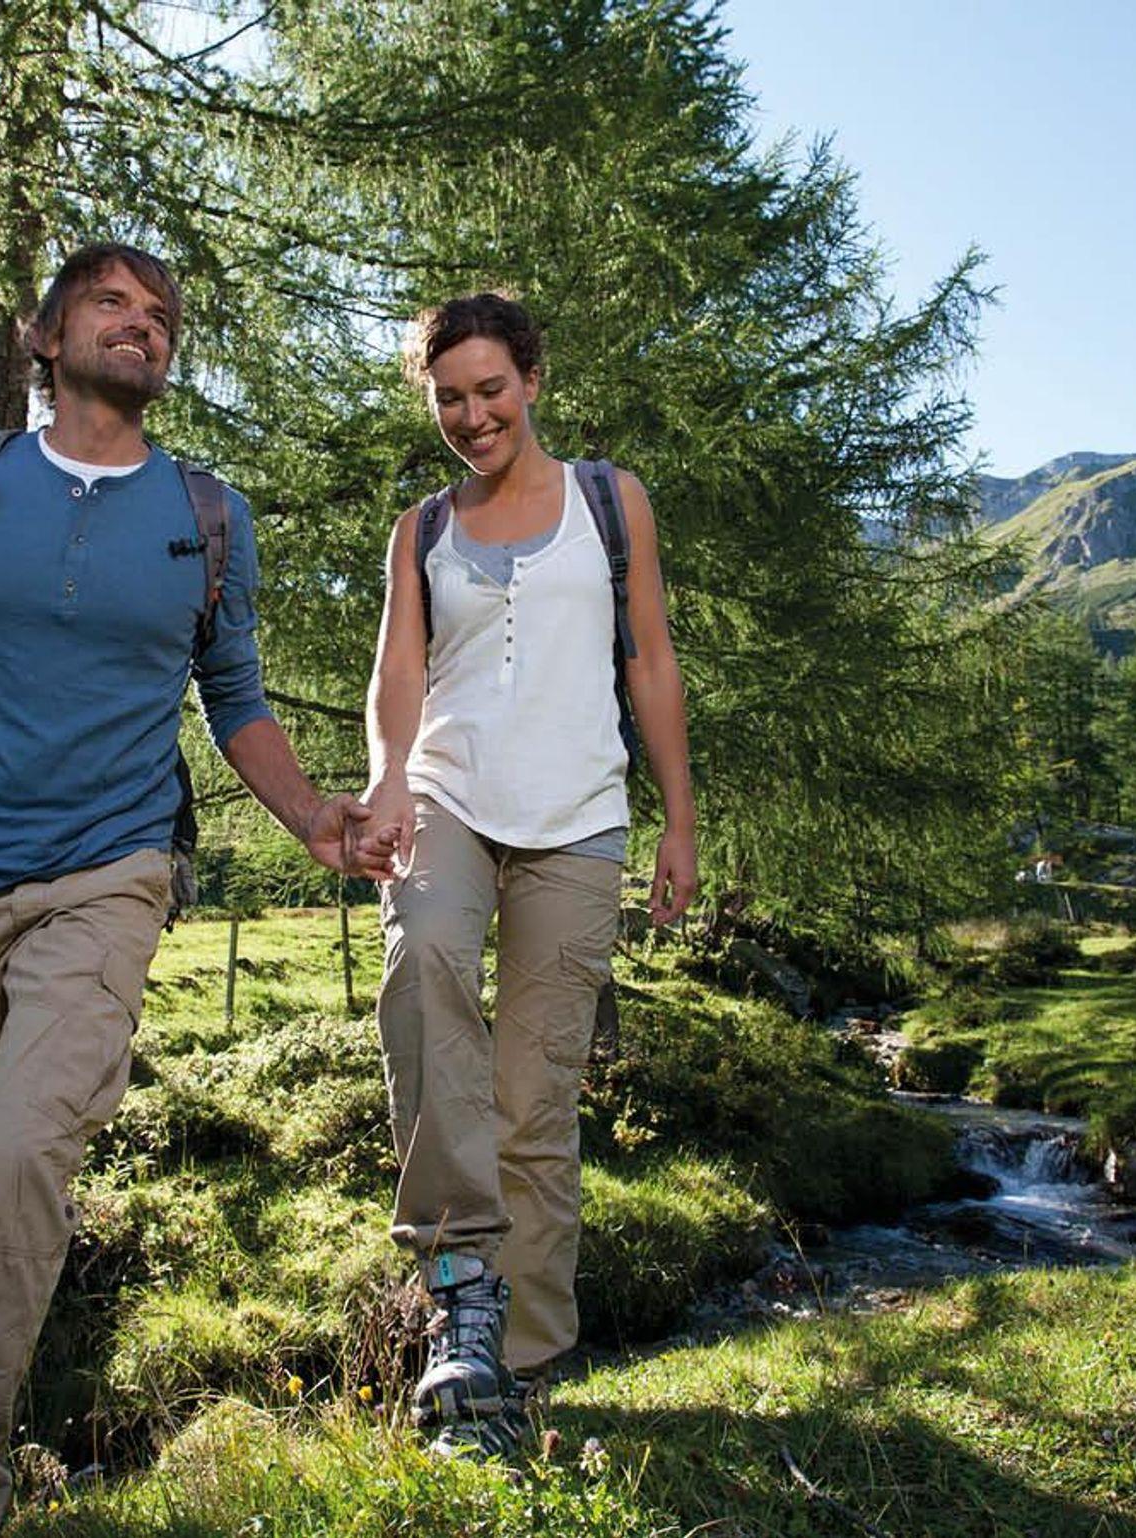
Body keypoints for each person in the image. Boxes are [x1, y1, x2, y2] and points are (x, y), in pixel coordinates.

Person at [0, 242, 392, 1537]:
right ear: (45, 338)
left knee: (25, 1150)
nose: (141, 324)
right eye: (111, 302)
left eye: (160, 314)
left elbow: (234, 697)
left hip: (112, 872)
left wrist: (314, 813)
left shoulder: (206, 516)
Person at [362, 292, 697, 1459]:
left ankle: (522, 1371)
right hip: (447, 797)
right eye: (448, 398)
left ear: (532, 380)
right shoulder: (420, 529)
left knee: (535, 1091)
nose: (471, 415)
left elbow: (648, 661)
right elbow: (398, 674)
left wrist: (678, 820)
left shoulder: (609, 501)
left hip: (578, 818)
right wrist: (385, 777)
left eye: (489, 389)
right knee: (423, 961)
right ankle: (460, 1287)